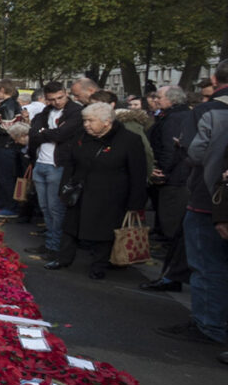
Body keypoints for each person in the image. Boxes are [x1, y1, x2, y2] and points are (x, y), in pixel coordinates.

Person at [157, 61, 228, 347]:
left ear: (213, 78)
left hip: (209, 196)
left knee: (207, 263)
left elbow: (195, 151)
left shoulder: (207, 111)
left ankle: (209, 324)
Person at [45, 102, 147, 279]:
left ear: (106, 122)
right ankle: (63, 258)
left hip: (110, 194)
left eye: (91, 121)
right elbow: (71, 163)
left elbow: (138, 173)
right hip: (80, 190)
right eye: (85, 120)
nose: (86, 124)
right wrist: (65, 187)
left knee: (104, 232)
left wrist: (135, 202)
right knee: (70, 227)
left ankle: (99, 266)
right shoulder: (81, 136)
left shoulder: (129, 140)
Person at [141, 85, 194, 292]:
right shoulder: (177, 116)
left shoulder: (173, 119)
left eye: (159, 96)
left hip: (174, 180)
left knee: (172, 225)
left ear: (171, 99)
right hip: (176, 177)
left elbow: (169, 148)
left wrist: (161, 171)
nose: (156, 99)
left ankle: (172, 277)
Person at [26, 81, 83, 262]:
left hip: (58, 165)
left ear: (65, 93)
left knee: (56, 209)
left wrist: (46, 132)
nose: (57, 102)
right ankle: (50, 243)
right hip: (41, 162)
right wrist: (47, 132)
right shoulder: (46, 111)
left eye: (60, 97)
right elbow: (33, 133)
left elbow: (61, 134)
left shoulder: (75, 111)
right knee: (45, 208)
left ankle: (55, 246)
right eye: (52, 99)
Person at [0, 79, 24, 217]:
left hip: (6, 145)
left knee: (6, 177)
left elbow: (6, 127)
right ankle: (2, 204)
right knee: (3, 176)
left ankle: (10, 207)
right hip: (5, 145)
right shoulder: (10, 104)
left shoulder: (8, 105)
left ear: (2, 90)